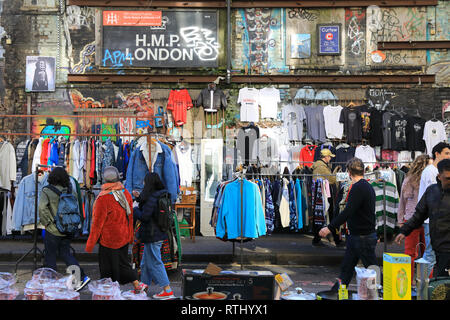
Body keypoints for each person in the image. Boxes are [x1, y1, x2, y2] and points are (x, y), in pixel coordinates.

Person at [85, 166, 147, 293]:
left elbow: (97, 224)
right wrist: (130, 235)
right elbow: (130, 218)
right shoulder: (125, 193)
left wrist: (90, 244)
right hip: (123, 237)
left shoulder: (103, 198)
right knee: (123, 264)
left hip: (109, 240)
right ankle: (136, 285)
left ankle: (111, 292)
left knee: (108, 269)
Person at [319, 158, 377, 292]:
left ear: (349, 172)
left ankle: (378, 294)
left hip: (362, 236)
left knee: (371, 271)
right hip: (360, 235)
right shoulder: (367, 186)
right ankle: (336, 292)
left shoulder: (358, 188)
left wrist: (329, 227)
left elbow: (348, 212)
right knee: (347, 268)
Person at [395, 159, 450, 277]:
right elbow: (419, 214)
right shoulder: (432, 191)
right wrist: (405, 230)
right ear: (439, 176)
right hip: (438, 246)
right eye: (447, 178)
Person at [39, 167, 90, 292]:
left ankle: (52, 284)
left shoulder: (47, 190)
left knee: (50, 256)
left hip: (53, 230)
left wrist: (48, 223)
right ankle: (81, 277)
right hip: (68, 228)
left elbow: (42, 208)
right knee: (66, 254)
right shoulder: (69, 190)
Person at [132, 173, 175, 300]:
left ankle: (167, 290)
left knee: (156, 262)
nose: (144, 184)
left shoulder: (152, 197)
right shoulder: (159, 195)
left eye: (145, 182)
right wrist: (139, 198)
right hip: (158, 233)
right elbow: (150, 208)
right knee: (145, 263)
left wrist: (135, 208)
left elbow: (144, 216)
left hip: (152, 235)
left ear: (149, 183)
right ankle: (143, 286)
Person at [417, 142, 450, 276]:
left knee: (433, 255)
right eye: (446, 153)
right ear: (437, 154)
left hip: (436, 221)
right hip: (433, 221)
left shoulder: (435, 170)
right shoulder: (432, 171)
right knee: (431, 255)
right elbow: (436, 198)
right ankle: (423, 287)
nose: (449, 156)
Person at [397, 155, 429, 283]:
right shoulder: (430, 178)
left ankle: (408, 283)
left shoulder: (409, 179)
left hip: (411, 219)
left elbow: (402, 202)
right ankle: (428, 283)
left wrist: (400, 221)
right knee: (427, 254)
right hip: (426, 219)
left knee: (410, 254)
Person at [312, 148, 341, 246]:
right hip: (324, 195)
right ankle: (336, 239)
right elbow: (332, 179)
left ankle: (317, 239)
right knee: (331, 215)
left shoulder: (320, 165)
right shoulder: (322, 167)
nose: (330, 159)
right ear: (326, 157)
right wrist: (336, 171)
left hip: (322, 194)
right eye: (330, 157)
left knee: (320, 216)